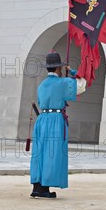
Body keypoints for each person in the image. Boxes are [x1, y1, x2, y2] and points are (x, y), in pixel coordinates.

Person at [30, 52, 86, 198]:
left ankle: (37, 186)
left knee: (39, 152)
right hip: (55, 119)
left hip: (42, 119)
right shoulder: (63, 82)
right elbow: (82, 85)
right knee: (51, 152)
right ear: (58, 68)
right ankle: (44, 188)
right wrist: (72, 72)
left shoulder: (42, 85)